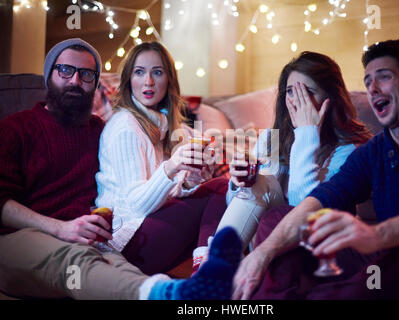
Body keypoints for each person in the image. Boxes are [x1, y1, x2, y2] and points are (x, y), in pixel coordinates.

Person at [0, 38, 241, 300]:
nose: (75, 81)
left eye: (86, 75)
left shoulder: (97, 130)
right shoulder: (16, 129)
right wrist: (60, 228)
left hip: (92, 241)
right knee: (76, 260)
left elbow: (129, 188)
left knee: (113, 268)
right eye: (65, 70)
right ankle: (166, 293)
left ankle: (188, 290)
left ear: (95, 83)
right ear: (49, 75)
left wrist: (189, 180)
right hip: (22, 240)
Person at [232, 39, 399, 300]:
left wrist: (376, 234)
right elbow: (323, 197)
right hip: (376, 252)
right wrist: (262, 252)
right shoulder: (376, 150)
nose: (373, 89)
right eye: (368, 81)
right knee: (278, 218)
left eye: (384, 77)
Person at [199, 51, 371, 265]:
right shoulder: (271, 138)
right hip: (260, 240)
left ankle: (216, 268)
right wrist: (241, 183)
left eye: (307, 91)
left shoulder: (348, 151)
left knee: (276, 210)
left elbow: (303, 213)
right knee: (248, 184)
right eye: (291, 92)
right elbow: (242, 207)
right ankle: (211, 268)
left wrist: (307, 133)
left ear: (330, 99)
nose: (297, 101)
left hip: (316, 246)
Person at [94, 41, 230, 275]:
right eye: (139, 72)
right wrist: (173, 166)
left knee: (220, 188)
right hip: (127, 241)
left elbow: (167, 195)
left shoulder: (163, 125)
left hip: (148, 231)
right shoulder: (126, 126)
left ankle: (206, 267)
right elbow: (137, 206)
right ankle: (207, 271)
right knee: (219, 188)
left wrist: (190, 181)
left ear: (169, 81)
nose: (149, 82)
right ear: (129, 81)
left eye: (157, 72)